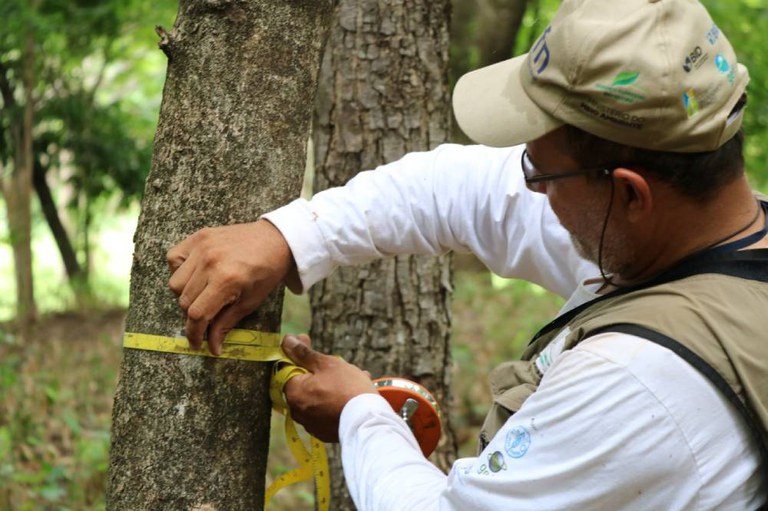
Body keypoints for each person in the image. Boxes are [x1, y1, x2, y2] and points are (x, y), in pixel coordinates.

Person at [166, 0, 768, 508]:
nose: (532, 189)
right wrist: (290, 236)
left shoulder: (638, 384)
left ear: (630, 192)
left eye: (542, 172)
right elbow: (467, 189)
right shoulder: (695, 234)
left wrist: (360, 416)